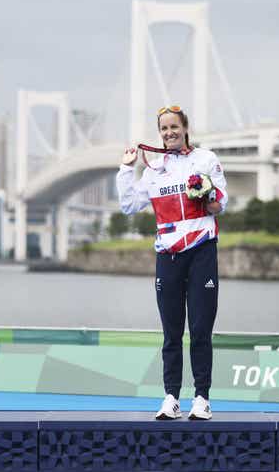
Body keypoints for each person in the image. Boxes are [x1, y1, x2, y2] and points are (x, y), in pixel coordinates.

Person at [116, 105, 227, 420]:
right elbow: (128, 205)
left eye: (174, 127)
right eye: (164, 129)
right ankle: (171, 398)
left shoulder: (206, 159)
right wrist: (126, 169)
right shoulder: (153, 168)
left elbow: (221, 204)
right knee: (171, 332)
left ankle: (202, 398)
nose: (169, 133)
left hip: (202, 251)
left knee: (201, 329)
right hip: (168, 256)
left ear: (185, 127)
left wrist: (208, 200)